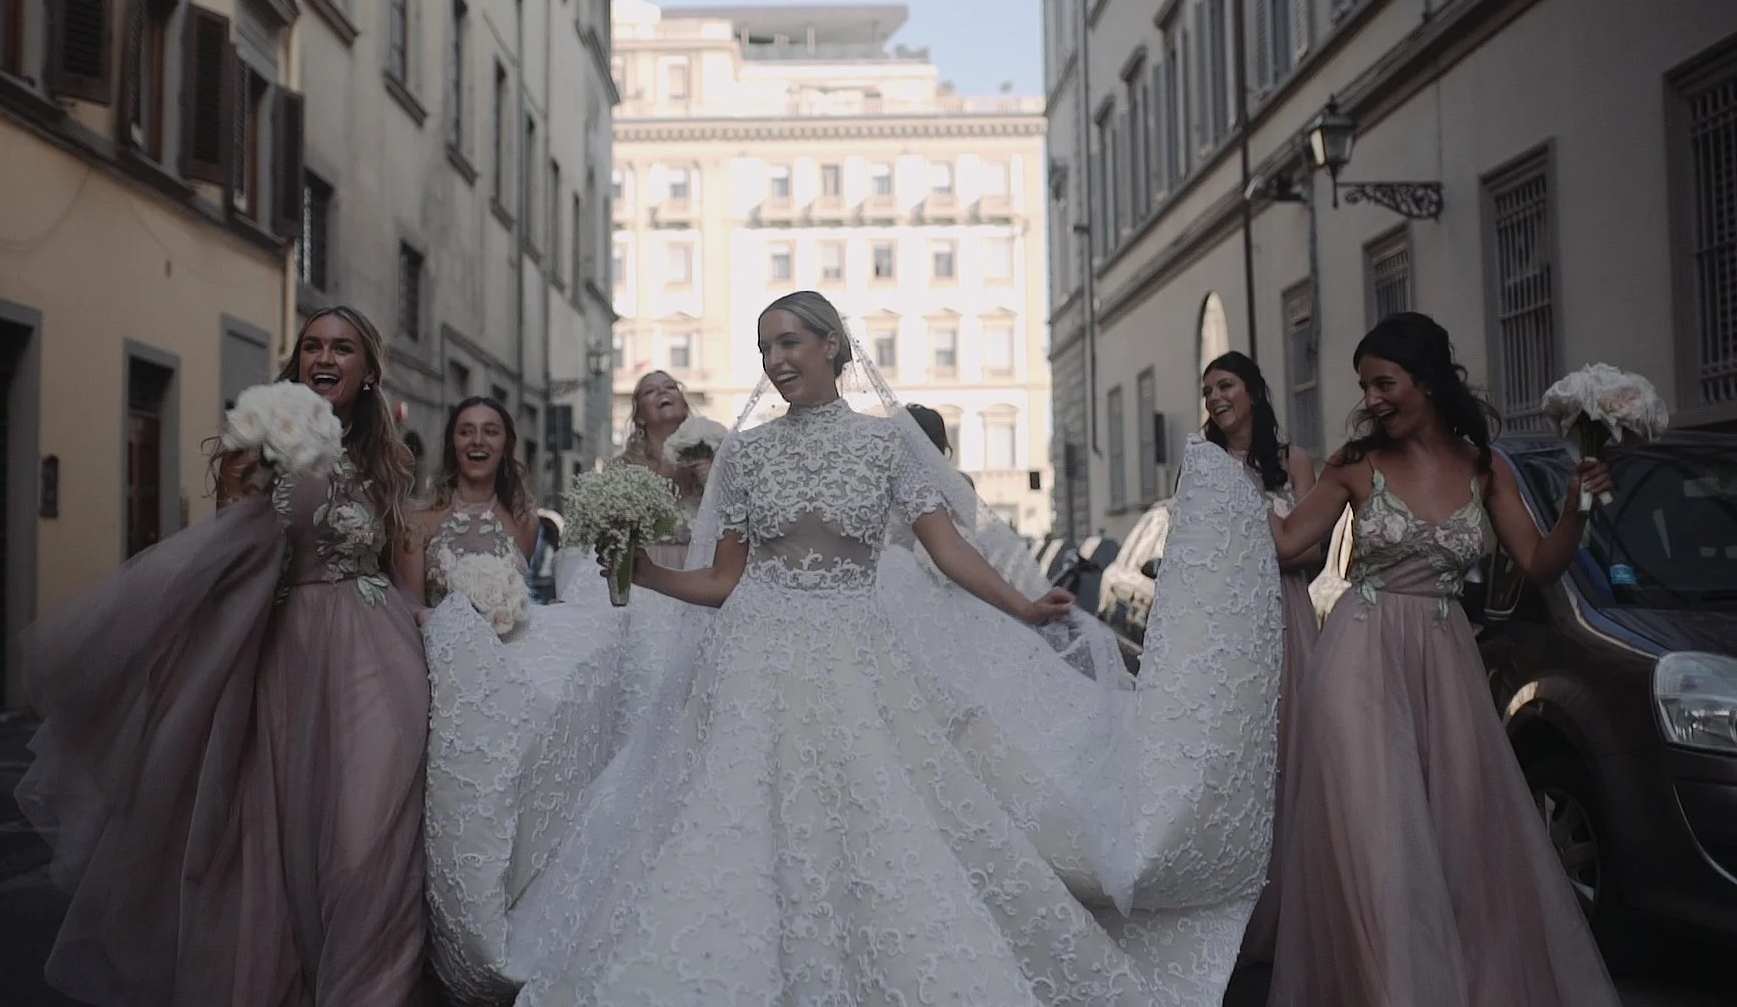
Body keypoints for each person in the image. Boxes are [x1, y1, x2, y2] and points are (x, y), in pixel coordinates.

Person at [478, 291, 1286, 1005]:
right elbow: (723, 580)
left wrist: (1023, 604)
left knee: (875, 817)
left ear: (833, 345)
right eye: (764, 348)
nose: (776, 360)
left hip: (853, 656)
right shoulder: (748, 452)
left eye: (789, 341)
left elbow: (947, 549)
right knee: (730, 822)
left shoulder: (884, 443)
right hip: (752, 657)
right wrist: (643, 573)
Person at [16, 306, 430, 1005]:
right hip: (287, 664)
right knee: (293, 847)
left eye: (343, 348)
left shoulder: (386, 465)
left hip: (380, 665)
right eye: (312, 346)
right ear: (297, 360)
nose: (325, 358)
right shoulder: (255, 445)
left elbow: (405, 577)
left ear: (367, 372)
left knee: (372, 845)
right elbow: (221, 566)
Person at [1265, 313, 1618, 1006]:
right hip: (1358, 667)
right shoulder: (1353, 466)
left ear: (1425, 381)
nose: (1370, 398)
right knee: (1376, 844)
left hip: (1446, 668)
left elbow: (1542, 563)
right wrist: (1226, 483)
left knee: (1458, 841)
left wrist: (1578, 507)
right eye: (1364, 385)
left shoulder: (1486, 469)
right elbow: (1286, 544)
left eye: (1383, 382)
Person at [1198, 351, 1321, 966]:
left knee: (1292, 751)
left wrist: (1270, 543)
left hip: (1287, 615)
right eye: (1208, 390)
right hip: (1229, 621)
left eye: (1226, 385)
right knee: (1239, 760)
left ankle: (1299, 902)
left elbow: (1315, 555)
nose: (1216, 398)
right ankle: (1236, 904)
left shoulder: (1294, 462)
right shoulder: (1204, 464)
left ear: (1252, 391)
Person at [396, 396, 538, 615]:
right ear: (453, 445)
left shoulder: (525, 521)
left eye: (490, 432)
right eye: (466, 432)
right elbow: (409, 609)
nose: (478, 441)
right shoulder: (417, 519)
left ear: (506, 447)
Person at [619, 370, 709, 567]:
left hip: (700, 569)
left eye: (670, 387)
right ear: (640, 417)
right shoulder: (624, 468)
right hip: (646, 571)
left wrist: (711, 479)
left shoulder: (712, 455)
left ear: (684, 406)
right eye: (650, 391)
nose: (662, 391)